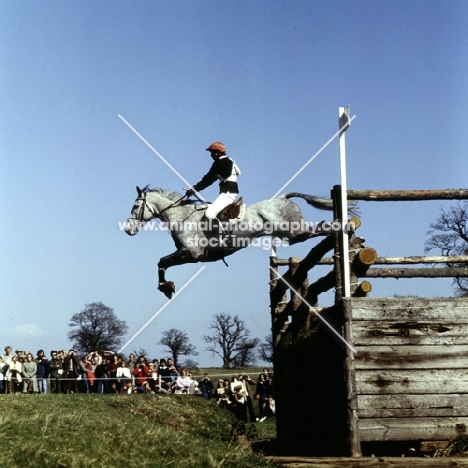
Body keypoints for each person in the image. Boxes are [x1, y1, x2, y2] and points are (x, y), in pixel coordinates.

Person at [185, 141, 241, 234]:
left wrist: (194, 190)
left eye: (211, 153)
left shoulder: (220, 162)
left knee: (209, 214)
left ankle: (222, 238)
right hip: (227, 192)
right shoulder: (229, 160)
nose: (211, 155)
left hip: (228, 194)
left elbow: (208, 179)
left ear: (217, 152)